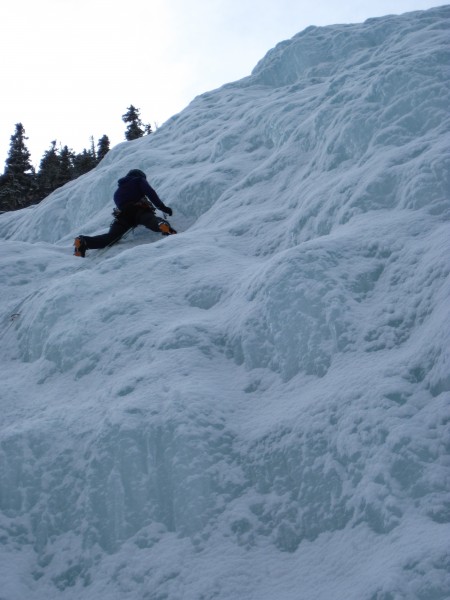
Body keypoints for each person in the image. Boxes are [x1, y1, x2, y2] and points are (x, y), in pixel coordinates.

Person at [73, 169, 176, 257]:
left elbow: (122, 205)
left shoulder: (117, 192)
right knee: (150, 220)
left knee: (111, 237)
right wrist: (162, 207)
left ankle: (84, 242)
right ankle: (161, 225)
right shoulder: (139, 180)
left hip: (123, 216)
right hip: (139, 210)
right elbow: (151, 193)